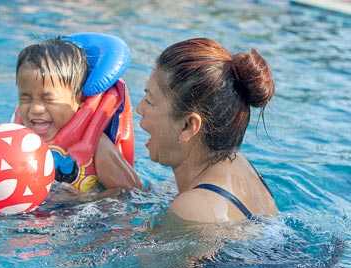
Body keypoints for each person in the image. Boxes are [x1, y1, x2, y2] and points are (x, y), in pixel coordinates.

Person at [136, 38, 278, 223]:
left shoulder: (194, 210)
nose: (139, 109)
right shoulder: (234, 165)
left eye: (149, 101)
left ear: (188, 126)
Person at [15, 37, 141, 194]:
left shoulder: (97, 145)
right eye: (25, 98)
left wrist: (80, 201)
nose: (36, 109)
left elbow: (131, 193)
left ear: (78, 99)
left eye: (49, 99)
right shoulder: (15, 136)